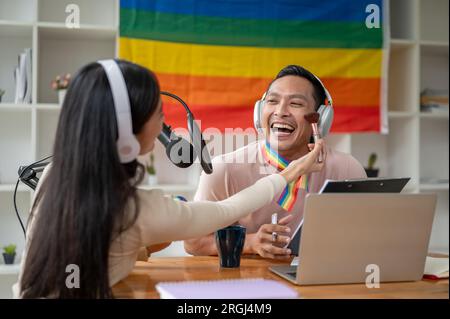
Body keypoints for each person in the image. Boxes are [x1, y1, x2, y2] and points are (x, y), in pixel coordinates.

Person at [14, 60, 325, 298]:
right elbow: (225, 212)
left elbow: (99, 245)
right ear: (127, 129)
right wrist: (294, 170)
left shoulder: (56, 175)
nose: (166, 126)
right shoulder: (138, 208)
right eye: (158, 114)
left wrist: (140, 245)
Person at [185, 65, 366, 259]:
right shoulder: (224, 169)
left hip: (319, 283)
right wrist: (250, 243)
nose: (280, 111)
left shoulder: (346, 169)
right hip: (247, 284)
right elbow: (194, 243)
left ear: (320, 119)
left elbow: (367, 237)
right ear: (259, 112)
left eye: (295, 104)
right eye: (272, 101)